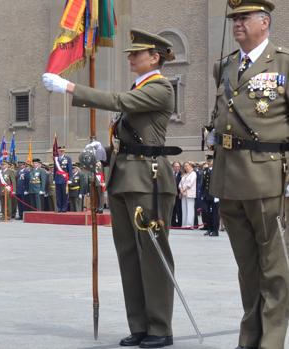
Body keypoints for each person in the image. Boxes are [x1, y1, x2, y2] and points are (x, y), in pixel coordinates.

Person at [43, 28, 178, 348]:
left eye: (136, 53)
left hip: (149, 180)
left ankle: (160, 326)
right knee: (129, 255)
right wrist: (107, 151)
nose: (131, 57)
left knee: (152, 255)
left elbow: (119, 101)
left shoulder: (160, 88)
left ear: (154, 57)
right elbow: (130, 134)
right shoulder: (140, 86)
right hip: (124, 178)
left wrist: (70, 87)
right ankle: (140, 325)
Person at [209, 1, 289, 348]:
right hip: (230, 177)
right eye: (234, 19)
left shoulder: (283, 62)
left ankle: (270, 342)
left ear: (264, 22)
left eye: (243, 18)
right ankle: (249, 339)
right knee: (248, 269)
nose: (237, 24)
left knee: (274, 270)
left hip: (267, 177)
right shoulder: (225, 66)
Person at [200, 155, 219, 236]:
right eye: (208, 161)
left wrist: (217, 195)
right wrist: (202, 193)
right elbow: (203, 183)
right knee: (206, 213)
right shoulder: (206, 170)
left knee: (215, 214)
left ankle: (215, 230)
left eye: (210, 161)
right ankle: (209, 228)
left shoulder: (217, 170)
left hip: (214, 195)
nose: (209, 163)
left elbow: (219, 183)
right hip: (207, 195)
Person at [178, 161, 197, 228]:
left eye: (187, 165)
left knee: (190, 209)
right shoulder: (185, 174)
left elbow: (190, 183)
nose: (185, 167)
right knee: (184, 209)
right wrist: (181, 190)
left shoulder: (193, 173)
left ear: (190, 166)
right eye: (184, 166)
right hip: (183, 194)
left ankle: (189, 224)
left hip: (190, 193)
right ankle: (184, 224)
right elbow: (180, 184)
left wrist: (184, 190)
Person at [54, 146, 73, 212]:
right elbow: (55, 170)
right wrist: (54, 179)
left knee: (65, 194)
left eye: (62, 151)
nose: (61, 152)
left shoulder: (68, 158)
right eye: (60, 151)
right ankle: (59, 208)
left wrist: (70, 179)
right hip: (57, 179)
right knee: (58, 195)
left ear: (64, 151)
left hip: (65, 179)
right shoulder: (56, 159)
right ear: (58, 151)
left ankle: (64, 208)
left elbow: (70, 169)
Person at [170, 161, 182, 227]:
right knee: (173, 210)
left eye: (178, 166)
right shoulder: (171, 174)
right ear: (173, 167)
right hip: (172, 195)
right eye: (175, 166)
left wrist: (179, 192)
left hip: (178, 195)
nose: (177, 168)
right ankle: (173, 223)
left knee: (179, 209)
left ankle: (179, 223)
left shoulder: (182, 174)